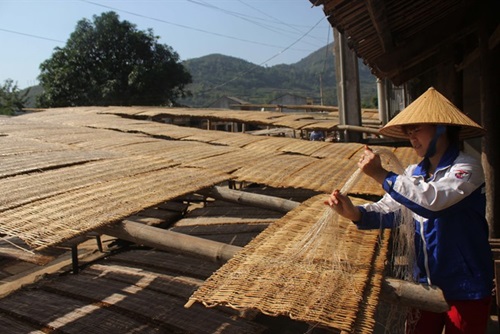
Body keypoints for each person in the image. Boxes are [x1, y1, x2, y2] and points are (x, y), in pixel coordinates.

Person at [326, 87, 494, 334]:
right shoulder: (413, 173)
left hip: (464, 284)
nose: (411, 137)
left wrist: (382, 175)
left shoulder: (466, 167)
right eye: (408, 131)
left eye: (417, 129)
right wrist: (355, 213)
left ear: (440, 128)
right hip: (423, 283)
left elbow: (432, 203)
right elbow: (392, 209)